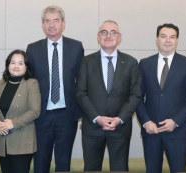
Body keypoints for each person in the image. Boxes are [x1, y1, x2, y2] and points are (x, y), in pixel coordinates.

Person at [24, 5, 84, 172]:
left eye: (56, 20)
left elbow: (82, 83)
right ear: (42, 24)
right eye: (47, 21)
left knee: (63, 163)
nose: (52, 25)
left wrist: (84, 113)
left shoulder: (76, 47)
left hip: (67, 115)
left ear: (63, 23)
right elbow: (28, 83)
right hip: (42, 116)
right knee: (40, 162)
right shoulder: (33, 49)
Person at [76, 20, 141, 172]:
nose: (108, 36)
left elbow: (136, 95)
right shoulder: (86, 62)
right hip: (92, 127)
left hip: (120, 128)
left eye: (113, 32)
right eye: (104, 32)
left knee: (120, 169)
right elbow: (80, 93)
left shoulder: (131, 63)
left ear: (119, 37)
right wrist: (97, 118)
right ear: (98, 36)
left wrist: (119, 119)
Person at [136, 23, 186, 173]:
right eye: (163, 36)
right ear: (157, 39)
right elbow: (137, 97)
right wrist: (145, 121)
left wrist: (176, 121)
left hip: (177, 132)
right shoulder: (145, 64)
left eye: (172, 37)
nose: (168, 40)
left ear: (177, 40)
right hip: (151, 132)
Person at [0, 50, 40, 173]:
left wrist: (12, 123)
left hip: (22, 141)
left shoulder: (31, 84)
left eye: (20, 63)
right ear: (8, 65)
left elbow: (35, 111)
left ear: (26, 66)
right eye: (13, 62)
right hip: (2, 141)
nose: (16, 66)